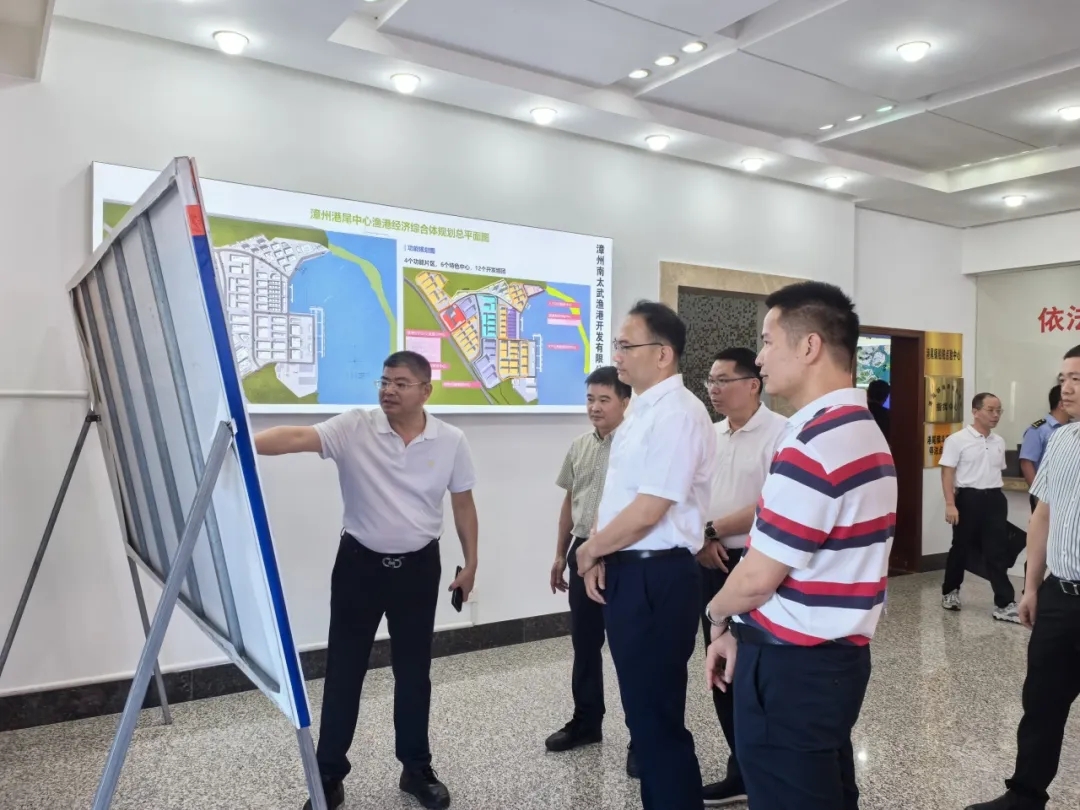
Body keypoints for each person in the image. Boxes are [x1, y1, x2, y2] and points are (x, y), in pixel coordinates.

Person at [253, 351, 479, 810]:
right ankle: (329, 774)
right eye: (384, 381)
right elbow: (295, 437)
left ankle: (416, 768)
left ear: (425, 391)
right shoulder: (355, 426)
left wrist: (471, 563)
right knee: (344, 671)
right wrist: (237, 437)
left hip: (419, 569)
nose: (388, 390)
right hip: (359, 567)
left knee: (414, 672)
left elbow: (463, 504)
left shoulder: (451, 440)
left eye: (400, 383)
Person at [703, 281, 897, 810]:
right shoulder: (859, 429)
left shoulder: (814, 443)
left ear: (809, 346)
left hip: (794, 670)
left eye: (768, 341)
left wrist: (717, 615)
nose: (760, 358)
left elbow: (758, 577)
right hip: (834, 661)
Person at [574, 300, 716, 810]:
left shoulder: (678, 414)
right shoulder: (641, 410)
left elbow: (651, 507)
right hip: (630, 570)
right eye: (616, 345)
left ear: (662, 354)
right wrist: (601, 553)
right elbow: (619, 495)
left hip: (659, 576)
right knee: (643, 712)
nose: (617, 355)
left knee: (656, 715)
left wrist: (589, 550)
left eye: (625, 345)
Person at [965, 345, 1080, 810]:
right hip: (1061, 596)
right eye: (1063, 377)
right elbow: (1041, 516)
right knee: (1042, 701)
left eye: (1077, 378)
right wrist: (1031, 587)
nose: (1065, 387)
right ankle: (1025, 796)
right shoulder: (1063, 440)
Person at [698, 347, 788, 806]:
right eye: (710, 381)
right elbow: (691, 494)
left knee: (756, 671)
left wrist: (712, 529)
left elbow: (772, 505)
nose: (713, 389)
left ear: (753, 384)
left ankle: (766, 772)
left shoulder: (781, 433)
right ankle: (741, 769)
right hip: (708, 561)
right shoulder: (709, 434)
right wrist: (701, 538)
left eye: (723, 380)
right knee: (720, 670)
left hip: (757, 564)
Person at [545, 366, 636, 776]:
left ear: (624, 401)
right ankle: (586, 722)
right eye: (590, 399)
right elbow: (570, 502)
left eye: (604, 399)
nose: (595, 407)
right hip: (581, 551)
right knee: (584, 644)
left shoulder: (634, 447)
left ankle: (641, 736)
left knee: (629, 650)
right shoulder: (580, 446)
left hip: (622, 554)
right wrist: (559, 553)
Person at [939, 393, 1021, 623]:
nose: (996, 415)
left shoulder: (999, 441)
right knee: (961, 547)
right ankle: (950, 591)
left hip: (995, 499)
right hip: (968, 499)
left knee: (997, 550)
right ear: (975, 412)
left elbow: (995, 470)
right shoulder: (957, 440)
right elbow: (947, 473)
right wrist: (950, 504)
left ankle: (1004, 603)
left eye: (999, 410)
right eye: (990, 410)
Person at [1019, 384, 1069, 511]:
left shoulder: (1072, 428)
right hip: (1047, 497)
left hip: (1069, 496)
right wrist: (1039, 496)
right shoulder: (1038, 430)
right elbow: (1026, 463)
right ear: (1061, 404)